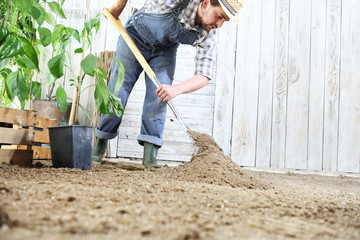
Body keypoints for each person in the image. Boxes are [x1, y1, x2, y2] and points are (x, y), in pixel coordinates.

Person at [92, 0, 246, 168]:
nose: (220, 24)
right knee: (118, 91)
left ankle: (150, 159)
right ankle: (99, 145)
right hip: (135, 36)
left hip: (164, 51)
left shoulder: (209, 32)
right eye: (219, 16)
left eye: (225, 21)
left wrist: (175, 89)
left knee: (159, 97)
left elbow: (205, 75)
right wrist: (116, 9)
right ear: (205, 3)